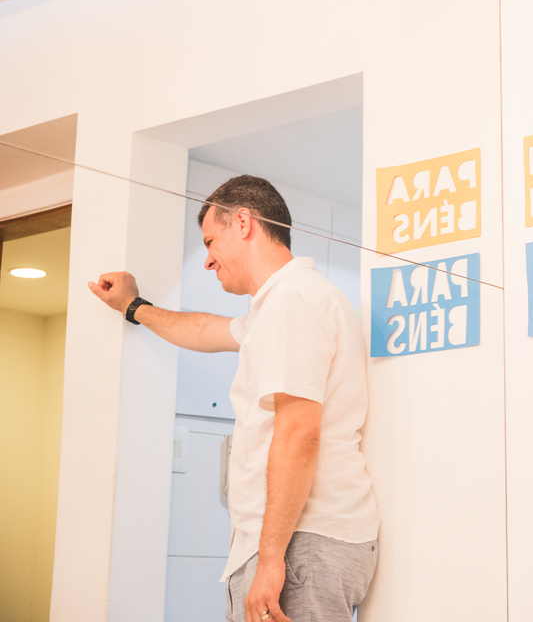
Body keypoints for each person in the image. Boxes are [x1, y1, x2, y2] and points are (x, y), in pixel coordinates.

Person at [89, 175, 380, 622]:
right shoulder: (278, 306)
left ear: (243, 222)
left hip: (302, 545)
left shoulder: (294, 300)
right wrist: (134, 306)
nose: (208, 260)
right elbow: (204, 330)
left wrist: (271, 560)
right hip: (296, 546)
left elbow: (299, 431)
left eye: (210, 241)